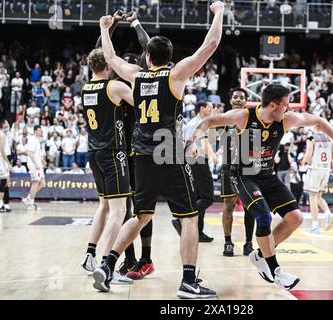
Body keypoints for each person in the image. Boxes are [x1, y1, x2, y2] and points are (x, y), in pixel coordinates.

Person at [94, 1, 224, 298]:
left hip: (140, 153)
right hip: (167, 152)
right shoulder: (175, 75)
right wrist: (218, 14)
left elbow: (111, 57)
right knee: (189, 217)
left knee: (140, 215)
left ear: (147, 56)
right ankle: (189, 282)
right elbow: (211, 44)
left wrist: (105, 29)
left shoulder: (136, 76)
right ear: (168, 57)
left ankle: (107, 263)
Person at [186, 84, 333, 291]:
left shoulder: (286, 120)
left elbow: (318, 121)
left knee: (295, 218)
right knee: (263, 217)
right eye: (285, 104)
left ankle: (261, 255)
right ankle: (275, 271)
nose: (288, 108)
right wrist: (192, 142)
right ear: (273, 105)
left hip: (267, 175)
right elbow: (208, 121)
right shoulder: (243, 116)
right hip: (243, 176)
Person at [78, 47, 137, 287]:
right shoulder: (114, 87)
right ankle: (106, 265)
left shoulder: (85, 89)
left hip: (94, 151)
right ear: (108, 66)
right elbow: (143, 102)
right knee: (119, 211)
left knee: (104, 206)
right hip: (114, 153)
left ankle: (89, 254)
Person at [172, 101, 217, 243]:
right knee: (207, 197)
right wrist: (213, 156)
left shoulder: (197, 122)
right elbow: (201, 144)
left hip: (193, 162)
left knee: (198, 197)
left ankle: (198, 232)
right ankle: (181, 219)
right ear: (201, 109)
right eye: (210, 107)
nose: (212, 109)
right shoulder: (196, 124)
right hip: (196, 161)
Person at [218, 88, 255, 257]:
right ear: (231, 100)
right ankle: (228, 242)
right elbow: (214, 138)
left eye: (242, 98)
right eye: (236, 97)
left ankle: (248, 243)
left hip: (248, 167)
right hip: (229, 166)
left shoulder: (252, 119)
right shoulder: (224, 119)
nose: (239, 100)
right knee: (228, 205)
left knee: (250, 207)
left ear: (246, 102)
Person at [301, 127, 333, 234]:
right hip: (326, 170)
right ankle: (328, 215)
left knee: (312, 198)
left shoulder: (311, 138)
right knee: (318, 197)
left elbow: (308, 154)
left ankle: (315, 226)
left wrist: (303, 162)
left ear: (314, 127)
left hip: (315, 169)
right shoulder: (330, 138)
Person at [22, 125, 46, 210]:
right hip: (33, 164)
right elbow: (30, 153)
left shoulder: (37, 140)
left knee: (42, 183)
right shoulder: (32, 140)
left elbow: (37, 153)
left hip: (38, 163)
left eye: (41, 130)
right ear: (35, 131)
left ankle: (28, 198)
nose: (41, 132)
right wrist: (36, 164)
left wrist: (42, 161)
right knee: (36, 182)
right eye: (39, 130)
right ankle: (31, 203)